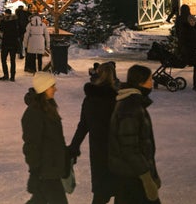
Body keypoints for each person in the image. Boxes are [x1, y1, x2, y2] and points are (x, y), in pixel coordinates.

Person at [108, 64, 160, 204]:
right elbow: (129, 148)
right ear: (140, 82)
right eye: (150, 79)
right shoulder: (131, 107)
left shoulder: (133, 103)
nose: (152, 83)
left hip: (132, 173)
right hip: (132, 176)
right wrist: (146, 177)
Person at [68, 62, 119, 204]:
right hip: (117, 150)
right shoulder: (117, 99)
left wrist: (73, 147)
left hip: (98, 150)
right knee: (122, 191)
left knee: (101, 193)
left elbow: (83, 126)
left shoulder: (90, 99)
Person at [21, 71, 68, 204]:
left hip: (51, 168)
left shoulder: (49, 107)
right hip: (45, 171)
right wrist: (35, 171)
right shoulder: (34, 113)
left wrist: (66, 153)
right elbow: (31, 145)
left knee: (38, 200)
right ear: (43, 89)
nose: (55, 89)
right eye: (52, 86)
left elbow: (55, 139)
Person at [174, 4, 196, 91]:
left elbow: (177, 31)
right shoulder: (190, 26)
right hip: (191, 49)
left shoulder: (180, 20)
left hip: (184, 47)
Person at [0, 8, 20, 81]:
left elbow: (1, 28)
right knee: (12, 60)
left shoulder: (4, 21)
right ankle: (12, 76)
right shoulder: (15, 22)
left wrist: (1, 20)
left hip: (6, 42)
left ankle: (6, 74)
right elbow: (18, 32)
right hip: (13, 43)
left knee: (4, 59)